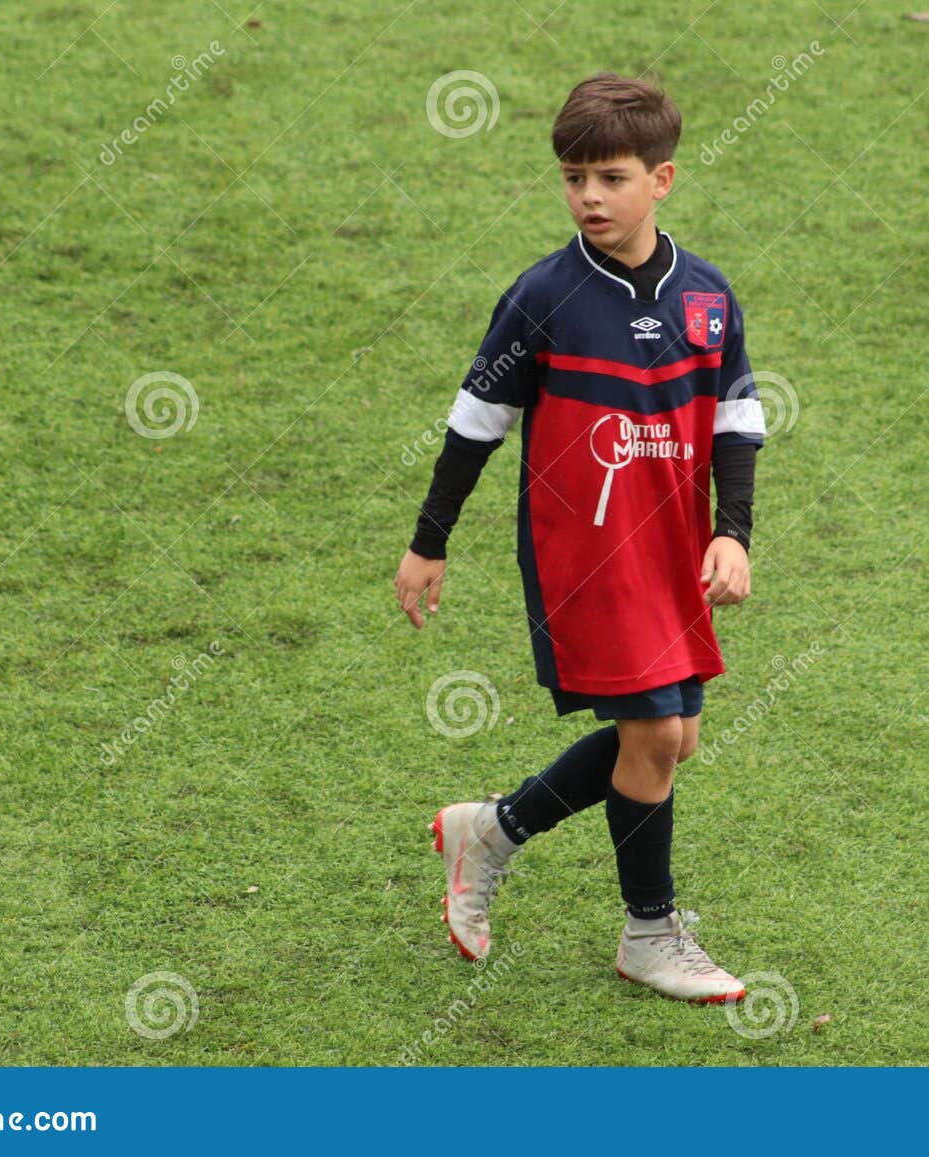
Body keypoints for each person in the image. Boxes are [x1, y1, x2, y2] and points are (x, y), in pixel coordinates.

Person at [394, 72, 767, 1003]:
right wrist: (428, 540)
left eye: (609, 178)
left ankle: (495, 827)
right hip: (587, 555)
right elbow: (475, 423)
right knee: (651, 735)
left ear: (663, 179)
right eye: (573, 179)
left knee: (671, 741)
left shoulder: (708, 299)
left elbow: (735, 419)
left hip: (674, 553)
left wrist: (734, 534)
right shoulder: (545, 297)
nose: (589, 198)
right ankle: (650, 933)